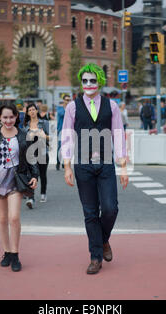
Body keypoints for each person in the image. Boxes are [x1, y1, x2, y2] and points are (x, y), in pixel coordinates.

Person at [61, 63, 128, 275]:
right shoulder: (72, 107)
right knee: (90, 213)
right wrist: (67, 165)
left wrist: (123, 166)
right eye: (85, 81)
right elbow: (67, 136)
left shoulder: (112, 106)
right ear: (81, 83)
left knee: (110, 208)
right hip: (82, 164)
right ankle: (95, 256)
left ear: (99, 81)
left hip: (106, 162)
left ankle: (103, 239)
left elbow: (118, 134)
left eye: (92, 80)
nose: (88, 84)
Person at [0, 104, 39, 272]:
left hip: (16, 179)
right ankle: (7, 252)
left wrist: (35, 176)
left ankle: (16, 253)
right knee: (2, 218)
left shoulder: (24, 135)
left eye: (11, 117)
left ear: (16, 117)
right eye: (5, 117)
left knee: (14, 217)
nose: (8, 120)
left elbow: (31, 158)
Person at [23, 103, 50, 207]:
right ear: (28, 113)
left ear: (37, 111)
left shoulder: (44, 123)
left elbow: (51, 138)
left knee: (42, 175)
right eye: (30, 110)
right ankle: (30, 198)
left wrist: (43, 135)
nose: (32, 111)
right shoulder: (26, 125)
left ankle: (43, 193)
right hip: (30, 154)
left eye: (33, 109)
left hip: (42, 152)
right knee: (31, 175)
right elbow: (23, 140)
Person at [56, 95, 70, 171]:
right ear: (64, 100)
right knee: (59, 147)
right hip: (61, 130)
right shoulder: (60, 108)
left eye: (69, 100)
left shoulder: (70, 108)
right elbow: (62, 114)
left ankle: (64, 163)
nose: (68, 101)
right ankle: (58, 162)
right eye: (67, 100)